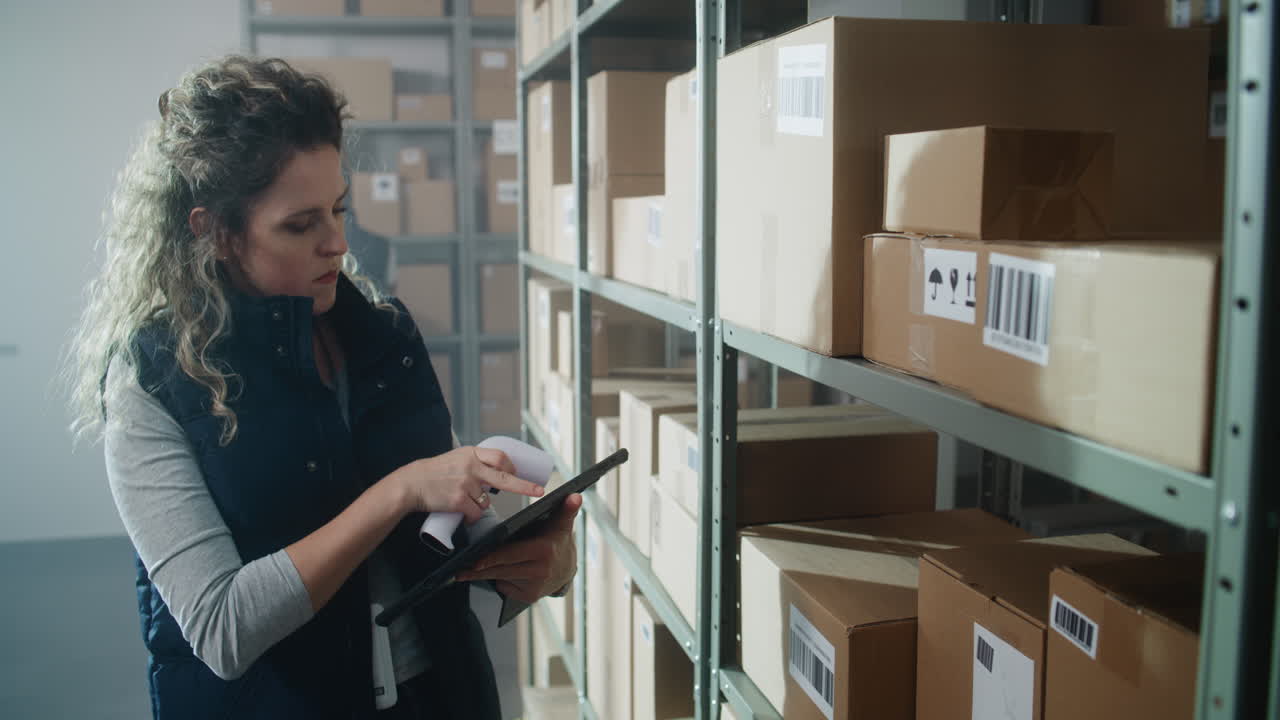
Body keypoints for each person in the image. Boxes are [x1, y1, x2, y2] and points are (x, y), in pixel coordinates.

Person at [66, 56, 580, 719]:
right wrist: (396, 493)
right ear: (214, 232)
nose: (337, 242)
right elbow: (223, 629)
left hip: (441, 696)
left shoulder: (382, 338)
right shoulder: (153, 382)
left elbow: (451, 523)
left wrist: (548, 565)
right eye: (299, 224)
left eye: (338, 209)